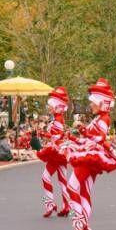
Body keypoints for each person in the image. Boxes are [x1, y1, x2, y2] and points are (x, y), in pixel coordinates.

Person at [66, 78, 116, 230]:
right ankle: (82, 228)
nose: (90, 105)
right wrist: (74, 138)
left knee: (71, 187)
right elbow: (90, 139)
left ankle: (81, 224)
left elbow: (99, 138)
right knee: (85, 193)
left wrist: (84, 130)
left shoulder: (104, 119)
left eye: (93, 102)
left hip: (90, 156)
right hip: (91, 155)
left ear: (101, 102)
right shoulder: (98, 119)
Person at [36, 87, 72, 218]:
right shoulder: (59, 118)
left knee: (45, 177)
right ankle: (67, 205)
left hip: (56, 152)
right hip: (61, 152)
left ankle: (49, 204)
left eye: (51, 105)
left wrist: (43, 134)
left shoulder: (57, 119)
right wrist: (45, 134)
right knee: (63, 179)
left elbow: (56, 136)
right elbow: (57, 135)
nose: (49, 107)